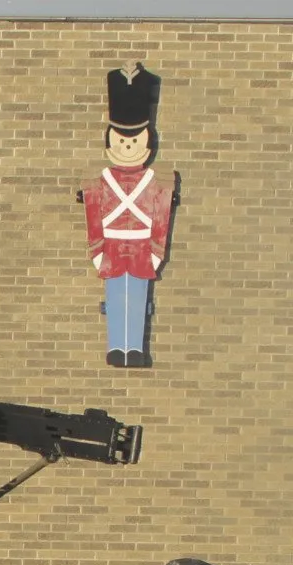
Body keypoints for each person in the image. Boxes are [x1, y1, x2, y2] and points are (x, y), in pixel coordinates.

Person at [82, 64, 175, 367]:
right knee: (114, 301)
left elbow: (160, 212)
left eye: (134, 141)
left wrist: (156, 251)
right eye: (122, 141)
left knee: (137, 301)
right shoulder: (101, 182)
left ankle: (133, 347)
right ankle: (116, 347)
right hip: (111, 247)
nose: (128, 147)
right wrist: (97, 249)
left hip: (140, 248)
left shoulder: (153, 182)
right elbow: (94, 213)